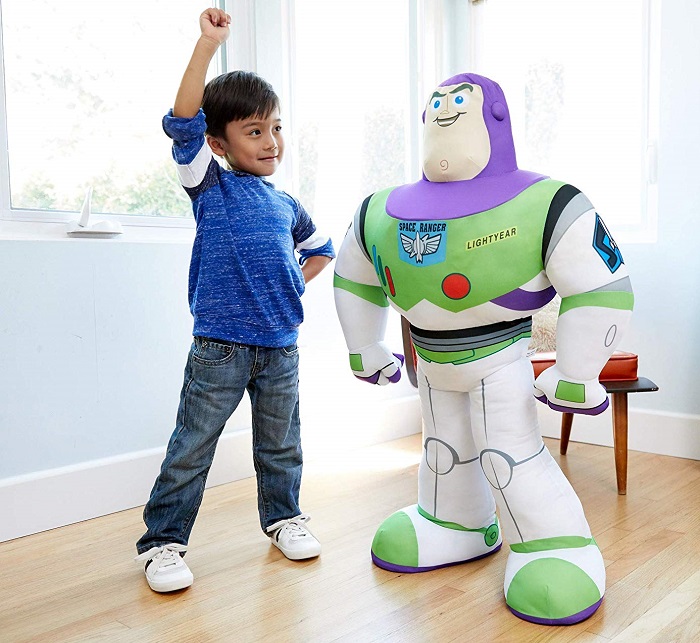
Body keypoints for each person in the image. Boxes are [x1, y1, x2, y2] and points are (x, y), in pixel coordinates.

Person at [135, 8, 335, 594]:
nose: (271, 141)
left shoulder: (285, 204)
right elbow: (182, 120)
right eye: (254, 131)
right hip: (219, 349)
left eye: (276, 127)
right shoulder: (209, 185)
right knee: (191, 447)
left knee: (281, 445)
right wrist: (207, 45)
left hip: (280, 349)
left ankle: (284, 518)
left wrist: (295, 281)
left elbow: (320, 249)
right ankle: (162, 542)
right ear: (218, 143)